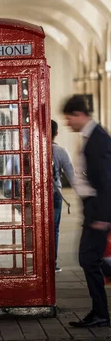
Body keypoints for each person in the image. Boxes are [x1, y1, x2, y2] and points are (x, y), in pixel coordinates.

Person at [63, 96, 111, 328]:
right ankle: (99, 312)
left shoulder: (98, 139)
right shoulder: (92, 137)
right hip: (93, 209)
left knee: (88, 259)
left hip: (98, 210)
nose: (67, 123)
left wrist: (102, 216)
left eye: (69, 117)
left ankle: (101, 314)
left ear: (80, 114)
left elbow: (106, 181)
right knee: (91, 259)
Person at [51, 119, 75, 272]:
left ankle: (38, 263)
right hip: (55, 194)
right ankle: (52, 262)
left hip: (35, 196)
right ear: (56, 133)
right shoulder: (61, 151)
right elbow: (72, 177)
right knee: (54, 229)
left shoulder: (31, 148)